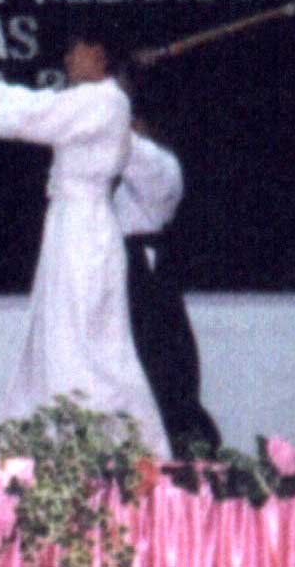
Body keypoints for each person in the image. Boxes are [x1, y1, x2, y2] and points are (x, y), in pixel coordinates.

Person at [0, 33, 170, 457]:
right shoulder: (85, 101)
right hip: (69, 229)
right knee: (59, 335)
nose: (67, 59)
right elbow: (27, 101)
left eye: (75, 50)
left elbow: (36, 114)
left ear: (99, 53)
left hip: (87, 232)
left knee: (90, 343)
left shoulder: (106, 102)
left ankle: (128, 448)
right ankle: (58, 443)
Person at [113, 121, 222, 458]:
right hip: (121, 267)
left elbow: (120, 145)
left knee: (161, 367)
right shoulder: (126, 166)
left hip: (145, 274)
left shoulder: (158, 163)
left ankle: (184, 448)